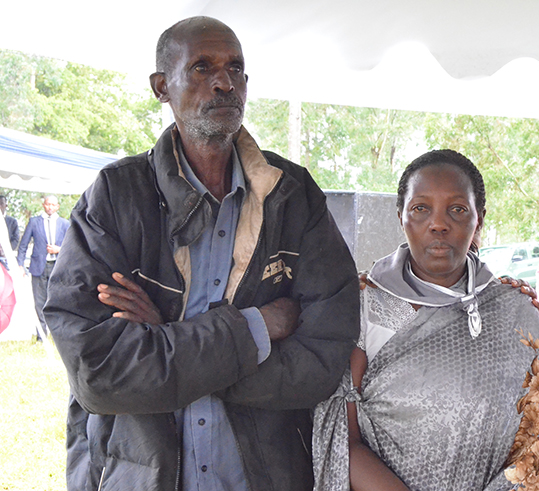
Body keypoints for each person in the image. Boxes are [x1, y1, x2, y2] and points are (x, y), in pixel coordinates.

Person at [42, 16, 359, 490]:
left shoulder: (292, 196)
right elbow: (96, 371)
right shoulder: (117, 195)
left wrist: (167, 340)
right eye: (201, 67)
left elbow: (323, 358)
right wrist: (255, 328)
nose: (224, 82)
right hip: (137, 473)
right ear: (160, 86)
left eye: (236, 68)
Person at [313, 149, 539, 491]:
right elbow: (342, 437)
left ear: (480, 219)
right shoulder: (363, 307)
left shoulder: (513, 311)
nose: (439, 224)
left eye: (457, 210)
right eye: (421, 208)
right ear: (400, 215)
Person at [17, 195, 69, 341]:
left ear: (58, 206)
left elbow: (73, 245)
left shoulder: (65, 224)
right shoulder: (34, 222)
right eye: (47, 204)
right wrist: (20, 264)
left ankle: (59, 335)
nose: (50, 207)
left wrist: (59, 249)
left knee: (58, 300)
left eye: (53, 205)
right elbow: (23, 244)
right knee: (39, 302)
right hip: (38, 267)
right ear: (43, 205)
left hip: (58, 267)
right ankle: (41, 336)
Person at [0, 195, 19, 270]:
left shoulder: (12, 222)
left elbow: (15, 239)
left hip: (6, 258)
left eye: (1, 203)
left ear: (6, 205)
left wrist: (5, 250)